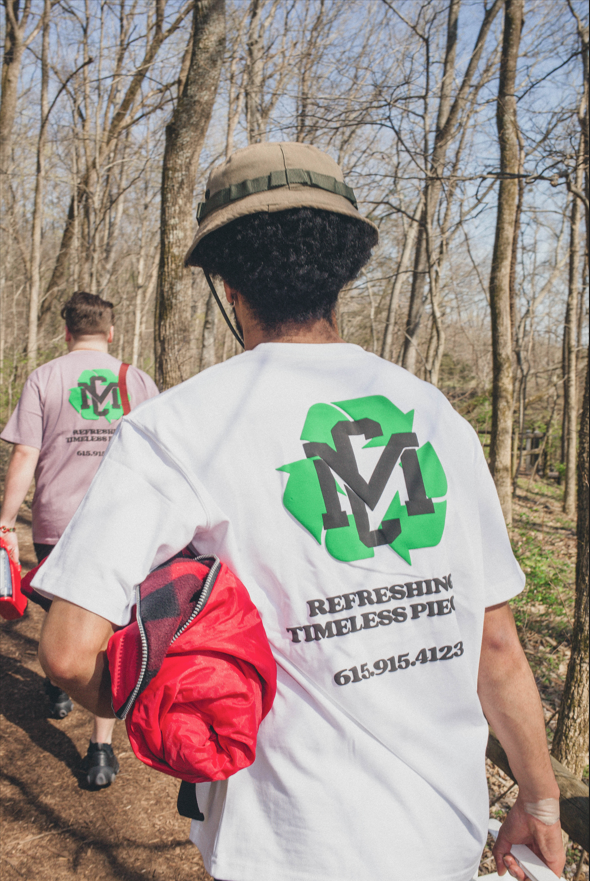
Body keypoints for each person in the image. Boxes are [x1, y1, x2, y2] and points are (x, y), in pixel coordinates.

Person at [35, 143, 565, 880]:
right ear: (344, 272)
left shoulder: (178, 427)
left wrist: (168, 716)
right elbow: (497, 647)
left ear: (227, 281)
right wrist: (540, 802)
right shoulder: (436, 416)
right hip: (440, 838)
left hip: (279, 847)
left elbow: (65, 651)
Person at [0, 291, 158, 787]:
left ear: (66, 332)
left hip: (57, 522)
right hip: (122, 525)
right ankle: (102, 748)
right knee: (112, 631)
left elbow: (25, 455)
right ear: (111, 333)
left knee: (59, 612)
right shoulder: (137, 380)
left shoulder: (44, 377)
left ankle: (59, 684)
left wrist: (5, 520)